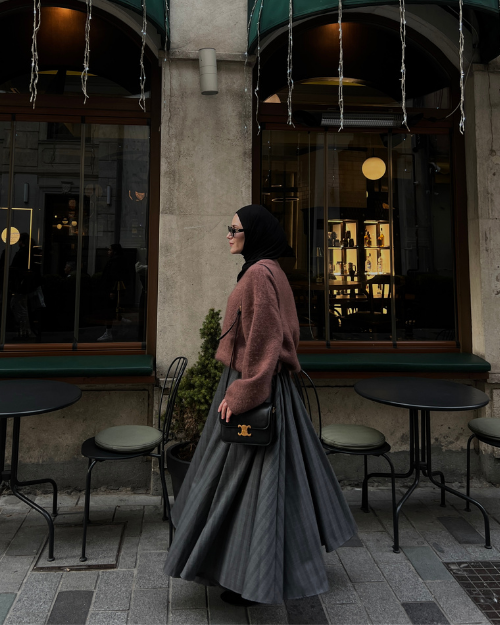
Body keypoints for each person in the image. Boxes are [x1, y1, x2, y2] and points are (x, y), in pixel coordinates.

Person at [164, 204, 356, 606]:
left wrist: (243, 392)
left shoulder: (258, 274)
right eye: (229, 227)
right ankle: (257, 566)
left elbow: (266, 341)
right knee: (265, 483)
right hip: (267, 385)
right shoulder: (269, 270)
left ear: (253, 233)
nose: (228, 234)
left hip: (255, 384)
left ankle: (250, 575)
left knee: (247, 482)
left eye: (234, 228)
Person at [97, 243, 129, 342]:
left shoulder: (115, 262)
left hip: (110, 290)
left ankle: (109, 332)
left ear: (114, 251)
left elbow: (114, 277)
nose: (108, 252)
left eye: (110, 250)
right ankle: (122, 322)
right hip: (110, 289)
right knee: (111, 310)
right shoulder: (116, 261)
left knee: (109, 311)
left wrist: (112, 291)